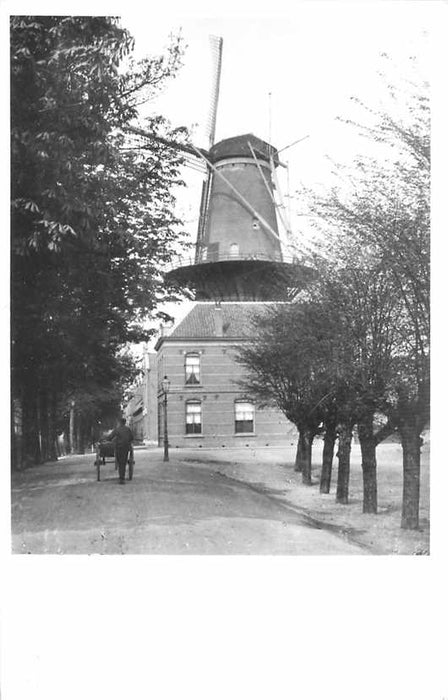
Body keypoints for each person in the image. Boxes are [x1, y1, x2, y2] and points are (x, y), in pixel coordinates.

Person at [107, 418, 134, 484]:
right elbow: (131, 438)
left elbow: (110, 437)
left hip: (118, 448)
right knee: (123, 463)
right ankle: (122, 478)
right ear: (125, 423)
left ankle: (121, 478)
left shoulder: (117, 429)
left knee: (120, 463)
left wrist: (107, 440)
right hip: (126, 448)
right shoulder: (128, 429)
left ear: (119, 422)